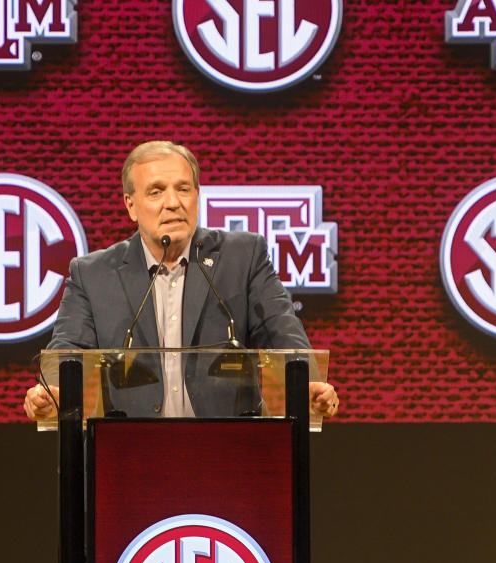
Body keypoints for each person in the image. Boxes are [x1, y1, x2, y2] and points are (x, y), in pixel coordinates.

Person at [23, 140, 339, 420]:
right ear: (130, 205)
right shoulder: (92, 274)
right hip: (131, 451)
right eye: (156, 191)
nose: (173, 202)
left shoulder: (243, 256)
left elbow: (280, 329)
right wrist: (52, 390)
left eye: (183, 188)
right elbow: (67, 349)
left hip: (231, 447)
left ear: (197, 196)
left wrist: (307, 380)